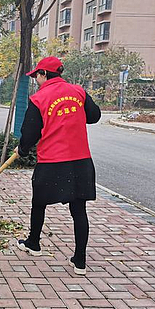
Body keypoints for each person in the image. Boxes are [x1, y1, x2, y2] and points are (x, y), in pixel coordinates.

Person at [14, 56, 101, 275]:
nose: (36, 80)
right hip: (81, 161)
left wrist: (22, 149)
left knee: (39, 203)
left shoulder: (39, 98)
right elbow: (94, 116)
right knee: (79, 210)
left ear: (44, 74)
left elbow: (30, 133)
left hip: (52, 162)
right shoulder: (78, 92)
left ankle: (34, 243)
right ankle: (79, 261)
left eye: (37, 75)